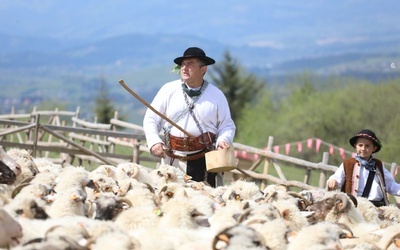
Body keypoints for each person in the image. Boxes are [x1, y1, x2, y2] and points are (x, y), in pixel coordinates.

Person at [143, 47, 236, 187]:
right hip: (172, 159)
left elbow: (226, 125)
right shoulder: (168, 90)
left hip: (204, 160)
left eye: (190, 64)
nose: (185, 68)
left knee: (202, 202)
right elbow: (150, 119)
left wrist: (223, 140)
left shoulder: (216, 95)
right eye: (183, 64)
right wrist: (154, 141)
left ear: (203, 69)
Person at [327, 129, 400, 207]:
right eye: (360, 145)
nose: (363, 149)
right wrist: (333, 180)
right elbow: (337, 177)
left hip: (377, 207)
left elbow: (391, 185)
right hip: (354, 207)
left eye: (367, 146)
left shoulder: (379, 165)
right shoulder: (348, 164)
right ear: (355, 146)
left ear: (374, 148)